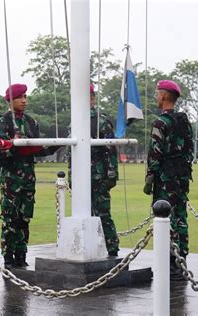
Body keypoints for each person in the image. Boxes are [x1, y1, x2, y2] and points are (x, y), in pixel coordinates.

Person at [0, 83, 59, 269]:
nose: (24, 100)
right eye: (20, 97)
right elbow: (3, 150)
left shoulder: (31, 122)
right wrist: (16, 145)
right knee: (10, 218)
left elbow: (38, 150)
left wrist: (55, 145)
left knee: (25, 218)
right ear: (10, 100)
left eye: (25, 97)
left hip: (28, 178)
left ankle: (21, 255)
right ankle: (8, 257)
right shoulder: (3, 123)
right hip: (11, 179)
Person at [143, 80, 194, 281]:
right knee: (181, 217)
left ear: (164, 96)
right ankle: (182, 261)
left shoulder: (161, 123)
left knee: (166, 218)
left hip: (165, 178)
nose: (156, 96)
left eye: (158, 93)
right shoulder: (184, 122)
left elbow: (154, 154)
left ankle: (171, 264)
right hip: (181, 177)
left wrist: (149, 180)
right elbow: (189, 150)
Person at [88, 84, 120, 256]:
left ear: (92, 98)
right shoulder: (75, 121)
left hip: (98, 176)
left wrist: (112, 175)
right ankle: (91, 246)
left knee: (102, 212)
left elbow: (111, 149)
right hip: (80, 176)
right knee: (84, 213)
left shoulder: (101, 121)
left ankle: (111, 246)